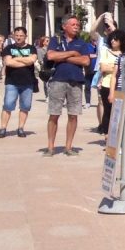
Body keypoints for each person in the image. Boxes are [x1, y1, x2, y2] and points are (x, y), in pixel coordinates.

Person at [43, 15, 97, 157]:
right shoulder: (56, 40)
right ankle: (50, 147)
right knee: (54, 114)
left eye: (77, 25)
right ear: (64, 26)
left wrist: (62, 56)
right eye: (73, 24)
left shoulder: (82, 43)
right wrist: (73, 53)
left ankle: (68, 147)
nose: (76, 26)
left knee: (73, 115)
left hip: (76, 81)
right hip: (57, 80)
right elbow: (50, 56)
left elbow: (85, 61)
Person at [0, 26, 37, 138]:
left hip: (27, 82)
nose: (19, 38)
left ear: (25, 36)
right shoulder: (8, 48)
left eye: (21, 36)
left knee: (25, 106)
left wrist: (16, 59)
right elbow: (9, 62)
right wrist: (25, 61)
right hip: (12, 81)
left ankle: (20, 128)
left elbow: (32, 60)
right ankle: (3, 128)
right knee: (8, 105)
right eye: (17, 36)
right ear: (13, 36)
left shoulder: (32, 48)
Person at [95, 31, 121, 133]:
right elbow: (103, 68)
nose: (113, 41)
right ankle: (107, 135)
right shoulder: (105, 51)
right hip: (106, 84)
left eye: (116, 39)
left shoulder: (124, 53)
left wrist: (111, 66)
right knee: (108, 111)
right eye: (112, 39)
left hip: (120, 85)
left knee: (118, 113)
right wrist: (116, 67)